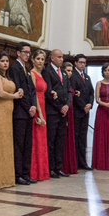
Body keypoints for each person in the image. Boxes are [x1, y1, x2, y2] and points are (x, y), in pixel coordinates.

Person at [0, 51, 20, 190]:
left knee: (7, 144)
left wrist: (19, 92)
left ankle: (8, 178)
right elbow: (1, 93)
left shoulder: (8, 77)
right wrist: (15, 96)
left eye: (7, 61)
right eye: (2, 61)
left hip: (8, 112)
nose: (5, 63)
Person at [8, 41, 38, 186]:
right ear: (18, 53)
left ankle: (26, 173)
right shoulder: (14, 68)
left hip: (29, 111)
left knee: (27, 144)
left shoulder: (27, 69)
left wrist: (34, 105)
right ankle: (18, 174)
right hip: (20, 111)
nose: (27, 55)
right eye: (25, 52)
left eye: (29, 52)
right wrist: (28, 107)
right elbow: (18, 90)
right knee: (19, 145)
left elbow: (32, 90)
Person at [43, 49, 70, 178]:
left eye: (62, 57)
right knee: (51, 140)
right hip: (53, 111)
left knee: (60, 140)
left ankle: (59, 167)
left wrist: (67, 105)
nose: (61, 59)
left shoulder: (63, 72)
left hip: (63, 112)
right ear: (52, 58)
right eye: (58, 57)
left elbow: (69, 91)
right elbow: (49, 92)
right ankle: (51, 168)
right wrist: (60, 107)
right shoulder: (47, 71)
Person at [29, 49, 50, 182]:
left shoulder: (41, 74)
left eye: (42, 59)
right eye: (38, 59)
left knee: (42, 139)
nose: (40, 61)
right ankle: (34, 172)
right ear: (33, 60)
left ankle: (42, 170)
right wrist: (40, 113)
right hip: (37, 108)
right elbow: (34, 94)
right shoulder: (32, 74)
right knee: (35, 139)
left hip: (43, 105)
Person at [70, 54, 94, 171]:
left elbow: (91, 92)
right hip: (77, 111)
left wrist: (90, 104)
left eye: (84, 63)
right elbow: (74, 93)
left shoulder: (87, 77)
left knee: (83, 137)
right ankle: (75, 161)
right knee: (76, 136)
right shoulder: (72, 76)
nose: (82, 65)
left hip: (85, 112)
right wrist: (83, 106)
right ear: (76, 63)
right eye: (80, 62)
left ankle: (83, 162)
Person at [62, 60, 79, 175]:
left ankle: (70, 165)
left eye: (71, 71)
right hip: (66, 109)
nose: (70, 73)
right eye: (68, 70)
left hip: (71, 110)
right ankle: (63, 165)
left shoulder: (69, 82)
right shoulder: (62, 81)